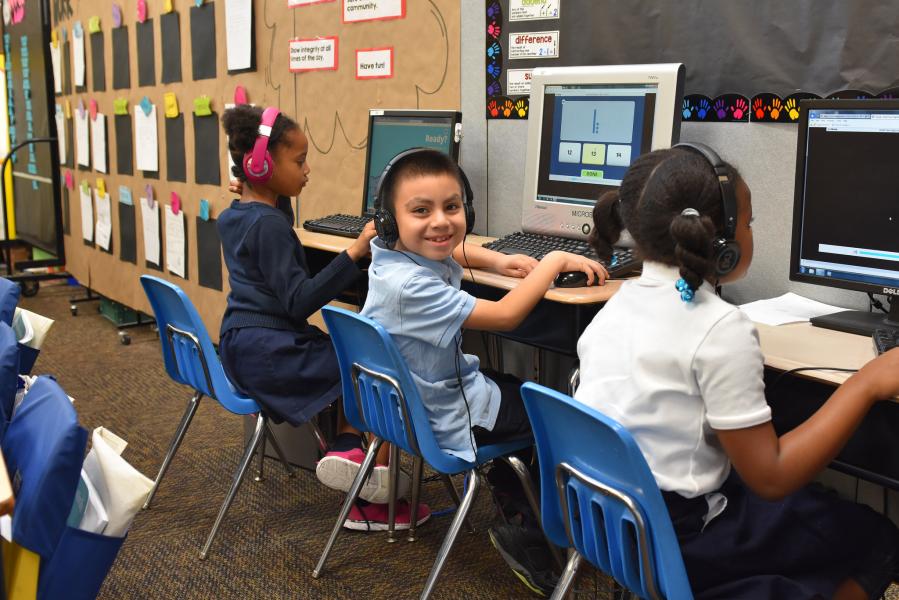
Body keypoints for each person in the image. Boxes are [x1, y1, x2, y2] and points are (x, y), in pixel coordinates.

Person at [575, 143, 899, 599]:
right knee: (877, 538)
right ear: (722, 240)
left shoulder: (617, 305)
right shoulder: (719, 327)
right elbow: (772, 478)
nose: (750, 231)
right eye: (747, 222)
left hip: (613, 529)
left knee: (813, 508)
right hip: (683, 543)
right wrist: (866, 383)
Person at [360, 148, 607, 595]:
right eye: (422, 211)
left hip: (418, 408)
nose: (441, 221)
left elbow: (450, 246)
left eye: (452, 208)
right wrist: (552, 261)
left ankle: (507, 486)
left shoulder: (389, 258)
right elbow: (508, 315)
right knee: (554, 416)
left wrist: (497, 260)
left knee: (520, 389)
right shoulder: (414, 286)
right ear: (391, 221)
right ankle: (529, 535)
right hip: (448, 416)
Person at [218, 105, 427, 531]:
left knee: (347, 355)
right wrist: (355, 251)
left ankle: (348, 447)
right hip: (273, 353)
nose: (308, 169)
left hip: (244, 346)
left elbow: (276, 226)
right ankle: (370, 499)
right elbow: (298, 302)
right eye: (298, 160)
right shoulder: (269, 227)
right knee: (374, 369)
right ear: (261, 164)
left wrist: (256, 185)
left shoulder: (238, 215)